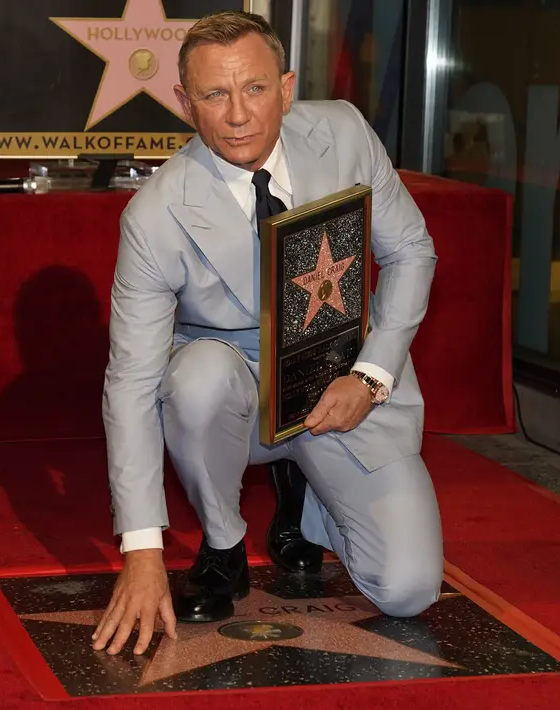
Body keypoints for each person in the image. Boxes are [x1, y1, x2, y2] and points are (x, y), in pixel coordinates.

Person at [93, 11, 444, 657]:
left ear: (285, 88)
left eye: (254, 89)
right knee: (193, 378)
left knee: (408, 590)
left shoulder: (341, 131)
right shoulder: (156, 214)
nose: (236, 116)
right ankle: (224, 542)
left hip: (341, 372)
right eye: (213, 95)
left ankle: (302, 490)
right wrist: (141, 549)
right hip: (233, 385)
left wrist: (372, 375)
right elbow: (131, 383)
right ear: (183, 103)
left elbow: (411, 252)